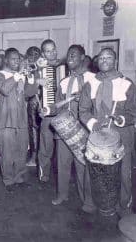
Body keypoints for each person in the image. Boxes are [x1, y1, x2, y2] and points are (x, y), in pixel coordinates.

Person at [79, 48, 136, 216]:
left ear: (115, 61)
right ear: (97, 61)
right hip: (97, 133)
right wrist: (93, 123)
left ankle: (123, 207)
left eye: (108, 57)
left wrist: (121, 119)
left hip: (121, 134)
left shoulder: (126, 83)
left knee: (123, 171)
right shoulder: (90, 84)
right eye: (101, 58)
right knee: (91, 169)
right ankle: (90, 203)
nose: (104, 60)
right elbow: (83, 110)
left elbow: (135, 111)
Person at [44, 45, 96, 213]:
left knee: (84, 166)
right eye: (68, 54)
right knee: (62, 164)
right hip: (64, 130)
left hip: (84, 130)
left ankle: (87, 200)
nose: (70, 57)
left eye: (74, 54)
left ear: (83, 57)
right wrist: (47, 110)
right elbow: (57, 106)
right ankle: (62, 194)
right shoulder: (64, 81)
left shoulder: (93, 79)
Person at [0, 48, 38, 191]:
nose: (17, 61)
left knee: (21, 151)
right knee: (7, 153)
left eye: (18, 59)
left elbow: (29, 93)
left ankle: (19, 177)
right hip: (5, 120)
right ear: (6, 60)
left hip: (21, 119)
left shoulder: (20, 75)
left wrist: (31, 77)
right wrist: (18, 75)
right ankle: (8, 181)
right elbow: (5, 89)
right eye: (13, 59)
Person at [37, 39, 64, 183]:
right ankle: (43, 174)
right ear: (43, 53)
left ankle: (61, 174)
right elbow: (29, 88)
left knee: (62, 146)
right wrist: (37, 81)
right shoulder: (38, 68)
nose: (52, 53)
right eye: (48, 51)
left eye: (53, 49)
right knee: (46, 145)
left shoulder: (65, 65)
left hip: (63, 112)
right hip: (47, 112)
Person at [24, 46, 41, 167]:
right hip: (32, 102)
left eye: (36, 55)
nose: (34, 57)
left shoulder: (45, 67)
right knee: (33, 129)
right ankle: (34, 157)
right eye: (31, 54)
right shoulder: (25, 68)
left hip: (45, 102)